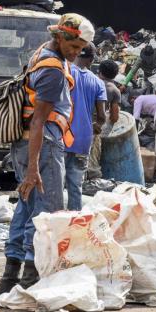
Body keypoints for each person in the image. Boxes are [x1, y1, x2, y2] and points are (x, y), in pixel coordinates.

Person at [0, 13, 93, 294]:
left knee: (26, 207)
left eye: (81, 49)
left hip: (26, 144)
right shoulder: (52, 70)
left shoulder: (41, 52)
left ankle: (9, 278)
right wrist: (33, 169)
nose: (77, 54)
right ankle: (31, 278)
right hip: (43, 145)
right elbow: (39, 120)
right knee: (46, 212)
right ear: (60, 37)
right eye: (74, 46)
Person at [66, 44, 106, 210]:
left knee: (54, 184)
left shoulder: (65, 72)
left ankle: (52, 223)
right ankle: (74, 221)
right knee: (75, 185)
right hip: (83, 139)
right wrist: (96, 126)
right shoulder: (98, 82)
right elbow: (102, 117)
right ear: (91, 59)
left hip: (62, 136)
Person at [88, 59, 121, 180]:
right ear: (115, 74)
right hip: (95, 126)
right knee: (92, 160)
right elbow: (114, 117)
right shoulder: (114, 90)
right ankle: (91, 183)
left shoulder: (90, 81)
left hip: (78, 122)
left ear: (99, 71)